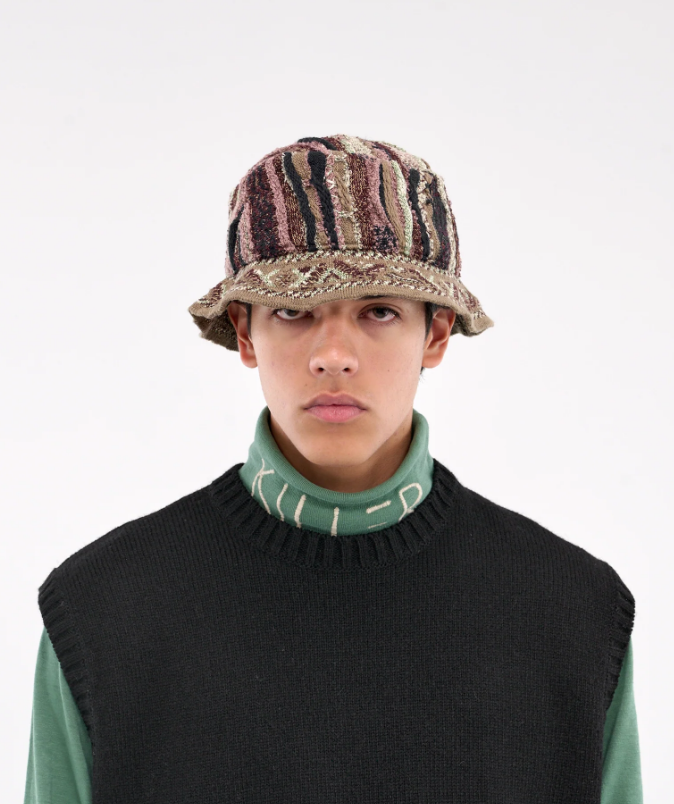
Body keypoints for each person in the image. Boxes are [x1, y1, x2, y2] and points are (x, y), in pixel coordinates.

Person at [24, 133, 642, 804]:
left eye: (379, 310)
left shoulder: (573, 615)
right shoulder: (104, 611)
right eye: (293, 310)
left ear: (436, 334)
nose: (334, 355)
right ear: (245, 332)